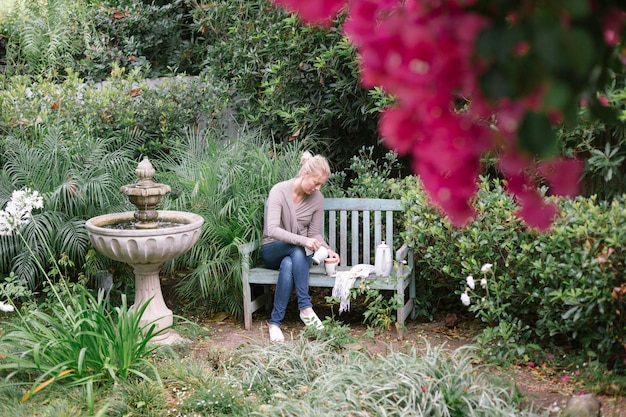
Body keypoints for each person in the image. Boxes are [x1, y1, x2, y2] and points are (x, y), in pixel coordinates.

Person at [260, 151, 339, 342]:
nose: (318, 188)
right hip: (272, 249)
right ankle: (305, 307)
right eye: (316, 183)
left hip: (296, 255)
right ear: (304, 175)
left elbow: (314, 234)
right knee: (297, 249)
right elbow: (272, 229)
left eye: (321, 184)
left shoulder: (317, 199)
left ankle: (275, 323)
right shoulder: (279, 191)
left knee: (289, 263)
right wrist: (303, 241)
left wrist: (328, 249)